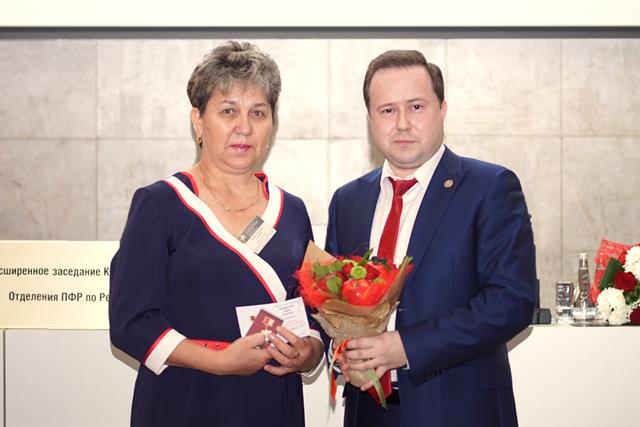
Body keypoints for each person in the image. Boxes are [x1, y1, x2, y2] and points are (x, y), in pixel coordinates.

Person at [109, 41, 324, 427]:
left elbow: (312, 312)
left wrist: (309, 352)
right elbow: (131, 323)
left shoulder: (292, 210)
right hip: (185, 401)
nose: (245, 127)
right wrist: (220, 361)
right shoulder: (161, 203)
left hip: (272, 404)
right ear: (198, 121)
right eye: (228, 111)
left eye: (258, 112)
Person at [325, 49, 536, 427]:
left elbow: (512, 301)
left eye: (416, 107)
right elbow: (332, 302)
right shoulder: (348, 201)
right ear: (370, 119)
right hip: (368, 414)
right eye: (387, 110)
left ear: (442, 110)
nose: (402, 123)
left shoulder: (489, 187)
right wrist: (341, 352)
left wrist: (405, 347)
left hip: (459, 413)